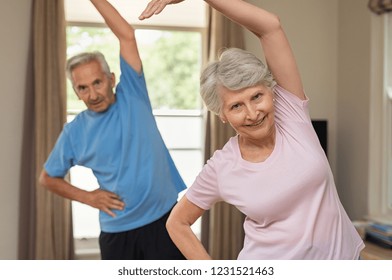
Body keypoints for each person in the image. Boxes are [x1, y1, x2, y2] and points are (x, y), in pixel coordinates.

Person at [139, 0, 365, 259]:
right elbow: (176, 223)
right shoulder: (223, 167)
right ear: (222, 116)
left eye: (257, 96)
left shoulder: (290, 112)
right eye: (236, 106)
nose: (252, 113)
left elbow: (270, 27)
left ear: (271, 90)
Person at [39, 0, 186, 260]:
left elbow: (126, 34)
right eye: (83, 88)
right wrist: (88, 197)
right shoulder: (74, 132)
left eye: (97, 82)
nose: (93, 93)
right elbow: (48, 178)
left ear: (112, 79)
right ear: (76, 92)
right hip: (117, 231)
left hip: (165, 219)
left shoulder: (133, 94)